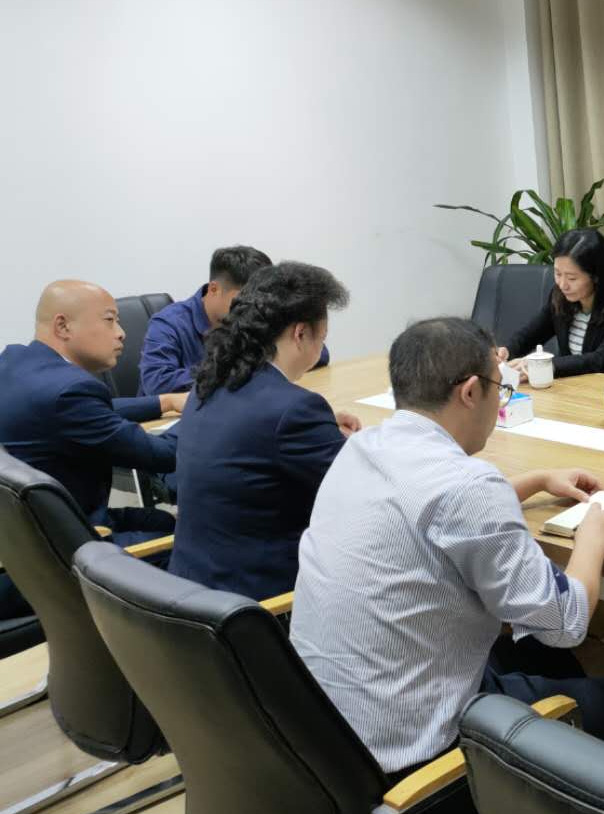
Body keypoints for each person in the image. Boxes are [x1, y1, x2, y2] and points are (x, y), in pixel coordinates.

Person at [289, 317, 604, 779]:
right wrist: (591, 543)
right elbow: (566, 623)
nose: (499, 398)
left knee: (540, 657)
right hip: (418, 757)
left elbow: (429, 509)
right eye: (500, 387)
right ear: (471, 392)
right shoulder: (468, 487)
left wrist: (535, 480)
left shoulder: (362, 447)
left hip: (325, 733)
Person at [167, 263, 359, 601]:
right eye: (323, 337)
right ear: (300, 334)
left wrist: (322, 429)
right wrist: (358, 444)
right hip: (262, 606)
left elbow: (258, 434)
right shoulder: (294, 410)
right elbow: (361, 492)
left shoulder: (210, 384)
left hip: (192, 590)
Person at [0, 281, 185, 547]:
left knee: (165, 520)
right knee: (196, 540)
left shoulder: (15, 361)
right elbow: (163, 456)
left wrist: (165, 402)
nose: (121, 333)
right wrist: (206, 412)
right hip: (75, 543)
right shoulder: (71, 392)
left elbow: (93, 409)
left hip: (30, 537)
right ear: (63, 326)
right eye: (109, 320)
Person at [139, 245, 330, 395]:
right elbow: (157, 382)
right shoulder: (168, 323)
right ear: (214, 289)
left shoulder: (256, 314)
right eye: (244, 298)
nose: (253, 307)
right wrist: (235, 369)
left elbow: (318, 352)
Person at [498, 228, 604, 380]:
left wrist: (546, 365)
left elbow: (603, 360)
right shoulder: (560, 296)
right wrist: (507, 351)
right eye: (557, 273)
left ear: (596, 276)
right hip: (571, 387)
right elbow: (532, 333)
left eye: (572, 278)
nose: (563, 284)